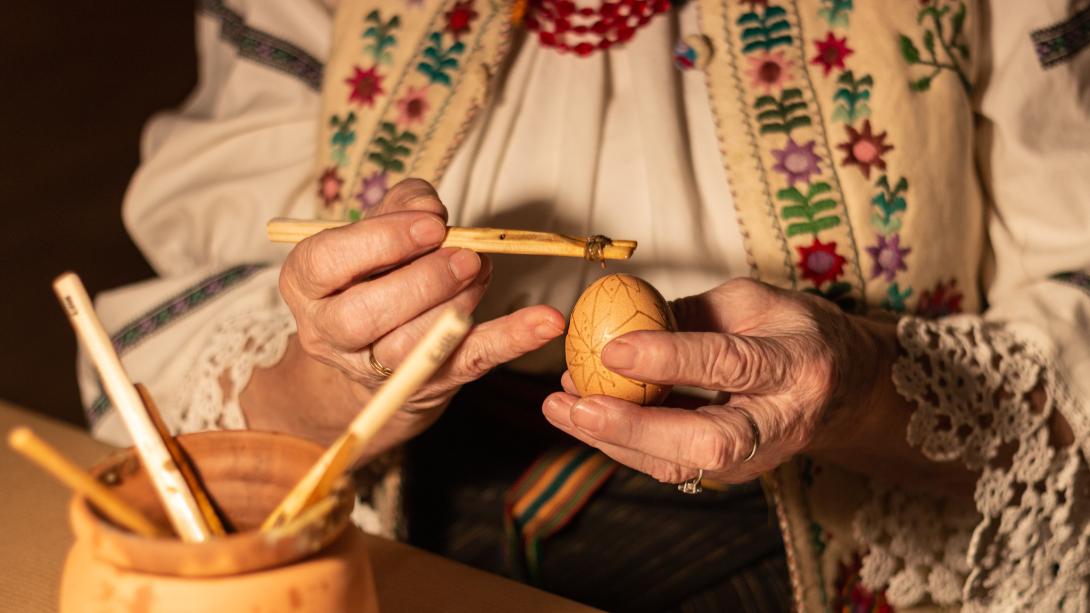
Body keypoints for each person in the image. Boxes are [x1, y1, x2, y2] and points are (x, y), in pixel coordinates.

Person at [80, 0, 1090, 610]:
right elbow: (194, 312)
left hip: (814, 545)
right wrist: (339, 374)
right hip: (405, 520)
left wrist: (859, 388)